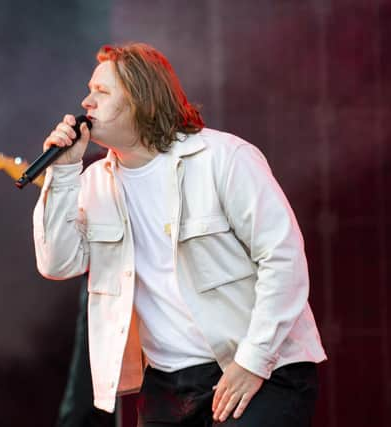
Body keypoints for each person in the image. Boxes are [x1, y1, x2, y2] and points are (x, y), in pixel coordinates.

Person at [33, 43, 327, 426]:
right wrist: (63, 172)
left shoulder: (222, 158)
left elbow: (283, 258)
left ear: (142, 99)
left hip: (263, 367)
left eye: (102, 92)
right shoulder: (94, 184)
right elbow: (57, 263)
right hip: (169, 386)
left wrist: (253, 361)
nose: (86, 102)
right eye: (90, 91)